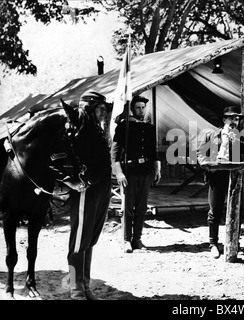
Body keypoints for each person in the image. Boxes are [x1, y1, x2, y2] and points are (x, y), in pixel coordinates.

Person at [64, 90, 113, 300]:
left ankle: (84, 285)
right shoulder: (78, 129)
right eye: (100, 109)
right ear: (90, 108)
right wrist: (74, 181)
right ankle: (75, 288)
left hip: (101, 188)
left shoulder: (98, 129)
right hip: (86, 189)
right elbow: (63, 158)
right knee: (78, 242)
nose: (104, 113)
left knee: (90, 239)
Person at [111, 95, 161, 254]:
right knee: (128, 208)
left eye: (143, 107)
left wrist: (157, 168)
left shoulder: (149, 127)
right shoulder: (124, 127)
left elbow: (153, 151)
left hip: (145, 171)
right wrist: (119, 173)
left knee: (141, 207)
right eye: (138, 107)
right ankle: (126, 240)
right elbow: (115, 154)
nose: (141, 110)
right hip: (129, 172)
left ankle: (137, 239)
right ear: (132, 109)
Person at [197, 106, 244, 259]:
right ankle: (213, 244)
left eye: (236, 119)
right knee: (215, 211)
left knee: (236, 209)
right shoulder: (212, 135)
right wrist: (210, 168)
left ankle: (234, 242)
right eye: (231, 118)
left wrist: (237, 142)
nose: (234, 121)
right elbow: (200, 154)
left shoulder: (241, 137)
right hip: (217, 175)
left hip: (234, 175)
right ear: (224, 120)